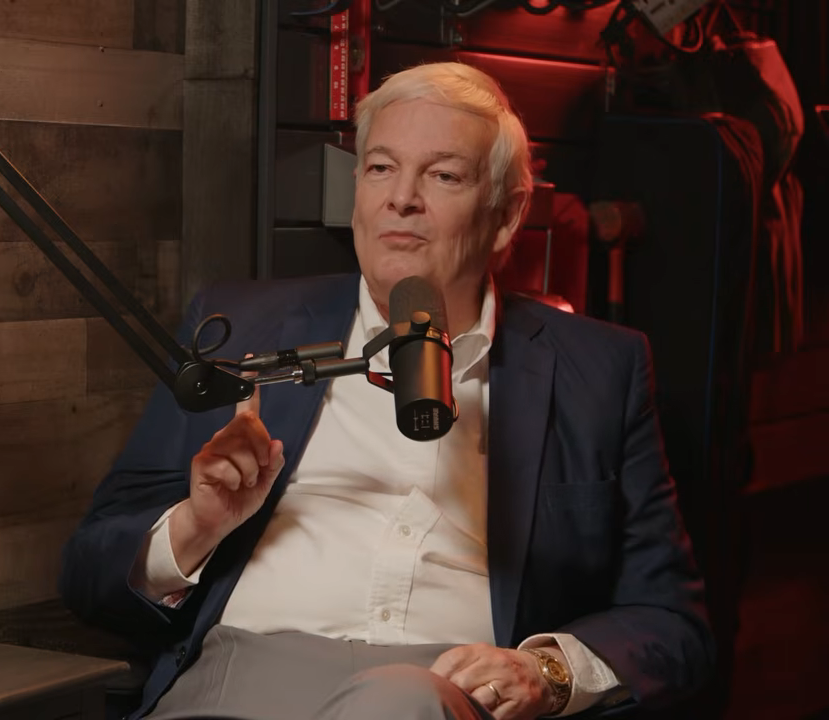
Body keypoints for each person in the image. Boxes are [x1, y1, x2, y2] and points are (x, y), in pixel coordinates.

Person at [59, 62, 712, 720]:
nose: (402, 198)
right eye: (380, 168)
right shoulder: (242, 330)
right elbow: (88, 574)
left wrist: (546, 670)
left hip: (439, 693)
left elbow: (670, 621)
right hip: (235, 682)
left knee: (401, 702)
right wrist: (195, 528)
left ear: (507, 214)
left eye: (443, 175)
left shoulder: (598, 371)